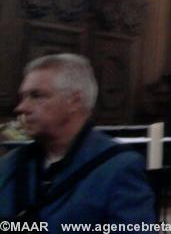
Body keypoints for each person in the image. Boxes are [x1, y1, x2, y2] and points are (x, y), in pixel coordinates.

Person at [0, 54, 155, 229]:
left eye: (36, 96)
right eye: (22, 97)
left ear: (74, 101)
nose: (21, 108)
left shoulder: (118, 167)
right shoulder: (10, 164)